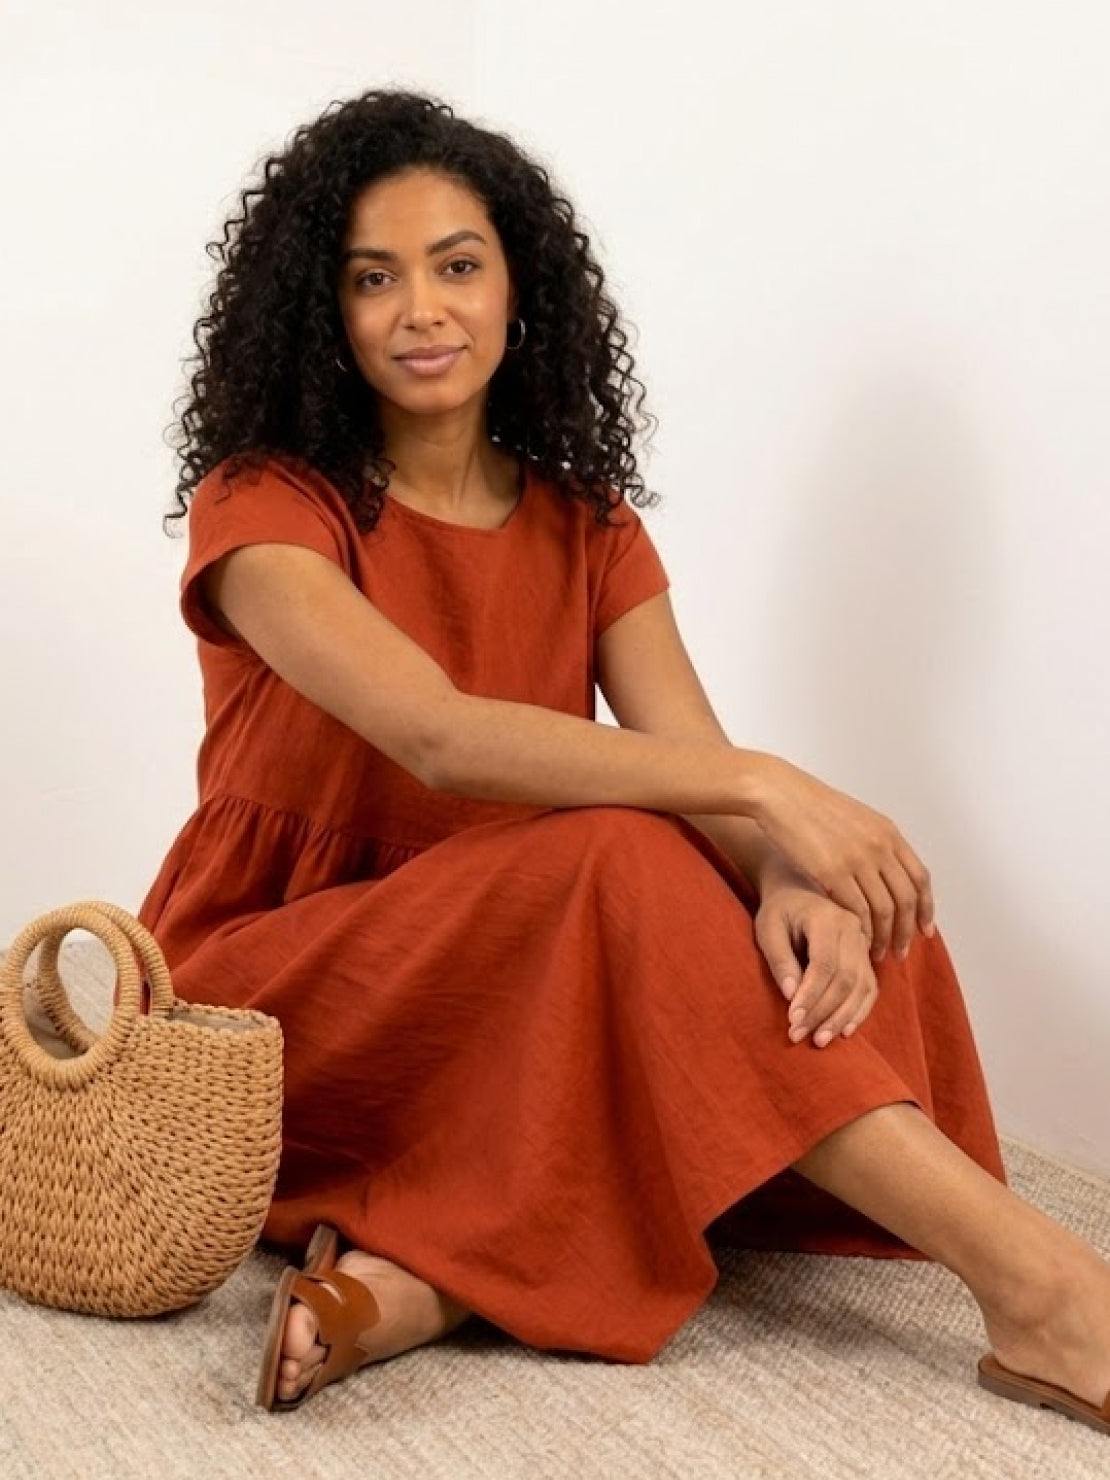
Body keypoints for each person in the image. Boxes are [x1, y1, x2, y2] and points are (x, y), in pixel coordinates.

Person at [136, 86, 1110, 1427]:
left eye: (457, 266)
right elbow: (437, 733)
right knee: (625, 860)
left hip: (526, 975)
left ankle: (434, 1278)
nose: (422, 309)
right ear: (324, 312)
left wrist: (792, 873)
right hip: (280, 999)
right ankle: (1045, 1289)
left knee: (851, 904)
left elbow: (691, 761)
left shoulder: (588, 526)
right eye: (373, 278)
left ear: (516, 287)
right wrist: (771, 788)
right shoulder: (264, 506)